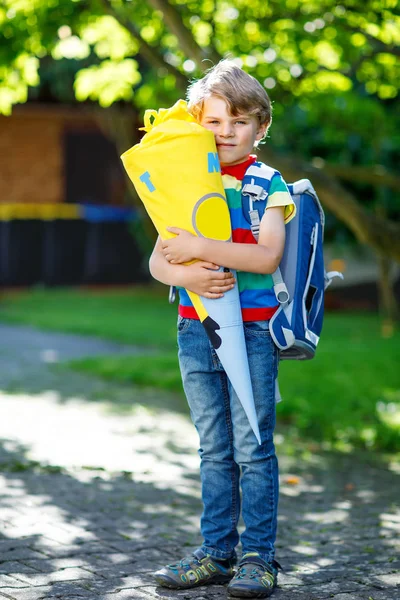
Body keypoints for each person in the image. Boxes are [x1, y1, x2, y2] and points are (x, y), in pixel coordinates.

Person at [149, 59, 295, 598]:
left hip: (252, 332)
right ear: (197, 125)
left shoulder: (266, 183)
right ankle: (215, 553)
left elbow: (265, 255)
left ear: (260, 128)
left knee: (252, 448)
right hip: (195, 330)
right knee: (213, 448)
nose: (227, 133)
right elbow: (159, 265)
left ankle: (259, 558)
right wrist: (184, 269)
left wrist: (200, 248)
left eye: (240, 122)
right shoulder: (183, 186)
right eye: (215, 122)